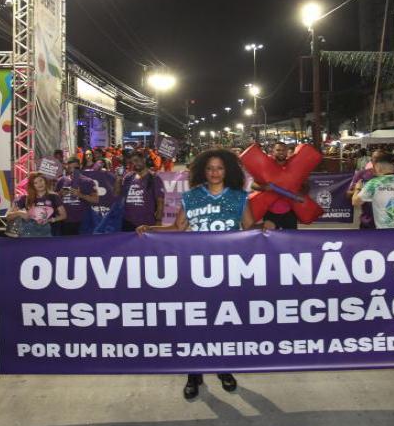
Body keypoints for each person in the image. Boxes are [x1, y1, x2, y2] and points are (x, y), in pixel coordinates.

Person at [136, 149, 255, 400]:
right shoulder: (191, 197)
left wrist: (265, 227)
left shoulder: (239, 197)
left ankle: (224, 368)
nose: (214, 172)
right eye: (210, 168)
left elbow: (250, 229)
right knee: (195, 322)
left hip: (228, 270)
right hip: (195, 270)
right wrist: (150, 229)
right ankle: (194, 373)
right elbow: (178, 228)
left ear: (228, 171)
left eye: (220, 168)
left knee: (223, 321)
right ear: (202, 170)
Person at [250, 142, 306, 230]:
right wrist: (264, 187)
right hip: (270, 212)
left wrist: (300, 191)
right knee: (270, 240)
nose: (281, 152)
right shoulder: (266, 167)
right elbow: (253, 184)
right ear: (273, 152)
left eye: (283, 150)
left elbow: (306, 186)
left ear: (287, 151)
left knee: (291, 240)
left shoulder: (293, 167)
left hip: (289, 212)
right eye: (278, 150)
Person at [352, 153, 394, 229]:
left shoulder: (375, 183)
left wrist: (357, 189)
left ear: (378, 167)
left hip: (386, 231)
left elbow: (355, 202)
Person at [8, 173, 67, 238]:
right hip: (28, 234)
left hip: (49, 233)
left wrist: (50, 220)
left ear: (45, 181)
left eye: (41, 180)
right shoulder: (25, 198)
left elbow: (64, 215)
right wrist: (19, 213)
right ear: (32, 185)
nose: (39, 184)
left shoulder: (54, 196)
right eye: (35, 183)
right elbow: (8, 217)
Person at [120, 152, 165, 232]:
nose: (134, 164)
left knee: (146, 245)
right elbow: (119, 195)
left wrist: (158, 222)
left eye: (137, 160)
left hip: (146, 224)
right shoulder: (128, 177)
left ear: (143, 160)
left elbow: (160, 202)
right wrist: (118, 180)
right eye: (132, 162)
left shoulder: (154, 178)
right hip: (128, 222)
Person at [55, 158, 99, 236]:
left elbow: (96, 200)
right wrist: (60, 193)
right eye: (69, 168)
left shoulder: (88, 181)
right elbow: (54, 200)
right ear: (67, 168)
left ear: (80, 166)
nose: (72, 170)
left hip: (82, 221)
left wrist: (80, 195)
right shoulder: (61, 180)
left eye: (75, 168)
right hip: (65, 221)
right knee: (66, 245)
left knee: (82, 246)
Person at [347, 149, 385, 229]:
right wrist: (361, 190)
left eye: (381, 159)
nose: (378, 161)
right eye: (376, 158)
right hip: (368, 222)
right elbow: (348, 193)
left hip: (388, 223)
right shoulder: (362, 174)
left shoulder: (393, 176)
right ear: (371, 160)